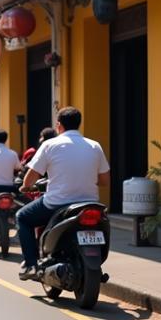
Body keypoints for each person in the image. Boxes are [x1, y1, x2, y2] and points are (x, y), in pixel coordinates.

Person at [16, 107, 111, 279]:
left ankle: (30, 264)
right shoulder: (94, 145)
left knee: (22, 217)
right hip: (90, 203)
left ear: (59, 125)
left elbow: (31, 177)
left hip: (57, 203)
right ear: (78, 124)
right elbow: (105, 181)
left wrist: (26, 186)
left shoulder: (49, 145)